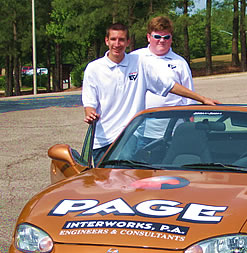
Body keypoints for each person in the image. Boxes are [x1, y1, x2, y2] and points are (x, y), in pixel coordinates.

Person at [82, 23, 219, 164]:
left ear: (128, 42)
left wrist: (202, 99)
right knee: (103, 182)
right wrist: (90, 113)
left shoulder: (139, 63)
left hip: (129, 136)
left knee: (123, 177)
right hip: (102, 139)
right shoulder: (94, 69)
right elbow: (89, 102)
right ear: (106, 41)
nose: (117, 44)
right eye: (113, 39)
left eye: (121, 40)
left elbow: (169, 86)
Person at [131, 16, 195, 147]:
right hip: (141, 131)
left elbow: (190, 97)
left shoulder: (180, 62)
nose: (162, 41)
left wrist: (190, 122)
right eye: (157, 37)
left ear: (171, 38)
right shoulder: (134, 58)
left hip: (174, 132)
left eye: (166, 37)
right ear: (148, 37)